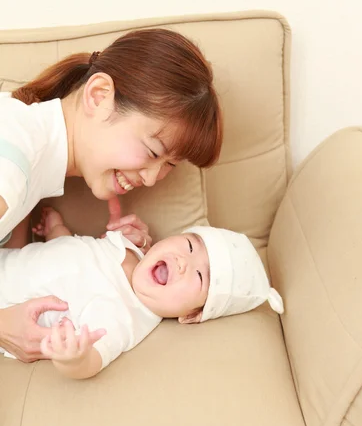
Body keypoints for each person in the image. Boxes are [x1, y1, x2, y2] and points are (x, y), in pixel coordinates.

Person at [0, 27, 222, 362]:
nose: (150, 179)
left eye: (169, 165)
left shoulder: (32, 156)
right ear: (99, 95)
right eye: (151, 151)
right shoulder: (13, 151)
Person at [0, 207, 284, 379]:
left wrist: (73, 359)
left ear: (192, 315)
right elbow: (76, 256)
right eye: (189, 245)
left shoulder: (125, 318)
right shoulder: (130, 246)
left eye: (200, 276)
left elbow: (92, 361)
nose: (184, 262)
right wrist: (57, 231)